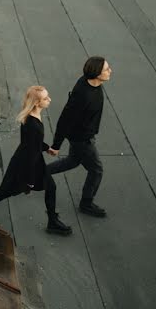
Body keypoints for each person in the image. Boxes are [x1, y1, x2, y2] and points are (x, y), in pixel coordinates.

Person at [0, 86, 72, 236]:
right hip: (25, 167)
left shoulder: (32, 117)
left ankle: (52, 221)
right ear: (37, 103)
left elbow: (31, 143)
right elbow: (31, 152)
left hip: (29, 161)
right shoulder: (33, 124)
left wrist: (45, 148)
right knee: (6, 192)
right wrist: (30, 181)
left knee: (51, 187)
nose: (49, 99)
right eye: (46, 98)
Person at [46, 56, 112, 218]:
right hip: (82, 139)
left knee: (72, 161)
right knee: (96, 170)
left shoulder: (94, 83)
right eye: (106, 69)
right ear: (96, 73)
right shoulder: (82, 95)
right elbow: (65, 119)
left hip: (84, 134)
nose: (110, 71)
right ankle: (86, 204)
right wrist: (56, 145)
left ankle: (37, 172)